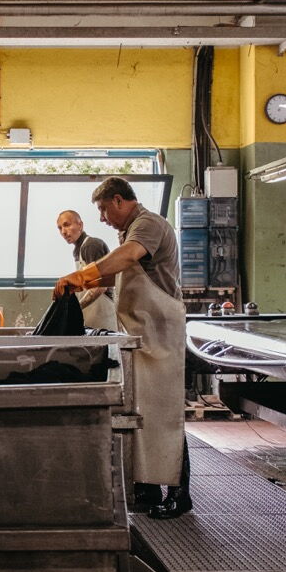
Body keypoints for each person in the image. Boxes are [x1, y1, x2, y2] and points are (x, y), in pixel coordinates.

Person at [53, 177, 191, 519]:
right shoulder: (128, 230)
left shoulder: (147, 225)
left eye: (102, 209)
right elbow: (117, 276)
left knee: (164, 412)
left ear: (118, 200)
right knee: (142, 409)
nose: (101, 218)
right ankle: (146, 486)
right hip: (140, 334)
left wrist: (81, 277)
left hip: (160, 331)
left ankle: (179, 494)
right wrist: (77, 284)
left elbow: (127, 257)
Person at [56, 209, 118, 332]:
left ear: (80, 225)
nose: (63, 231)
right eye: (60, 228)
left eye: (67, 225)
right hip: (92, 317)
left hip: (103, 317)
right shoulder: (78, 250)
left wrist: (77, 308)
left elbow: (100, 286)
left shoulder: (91, 246)